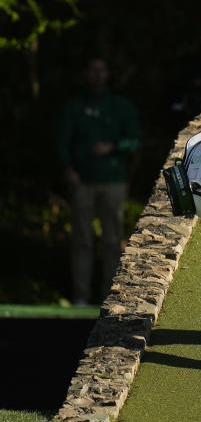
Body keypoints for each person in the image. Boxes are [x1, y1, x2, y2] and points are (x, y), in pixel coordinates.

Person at [57, 57, 142, 305]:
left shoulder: (120, 107)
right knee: (82, 240)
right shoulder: (76, 107)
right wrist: (67, 169)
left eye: (101, 70)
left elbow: (136, 142)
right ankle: (81, 297)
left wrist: (113, 147)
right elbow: (62, 142)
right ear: (86, 74)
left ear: (107, 74)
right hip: (82, 181)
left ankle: (110, 296)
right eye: (92, 70)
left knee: (112, 241)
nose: (97, 75)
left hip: (113, 181)